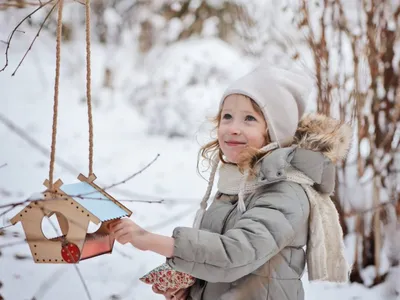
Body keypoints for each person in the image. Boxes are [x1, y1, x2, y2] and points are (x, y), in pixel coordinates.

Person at [109, 64, 351, 300]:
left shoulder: (286, 192)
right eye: (227, 116)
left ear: (274, 131)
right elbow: (218, 264)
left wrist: (148, 240)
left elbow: (235, 254)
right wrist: (192, 287)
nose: (233, 128)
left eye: (249, 119)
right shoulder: (236, 185)